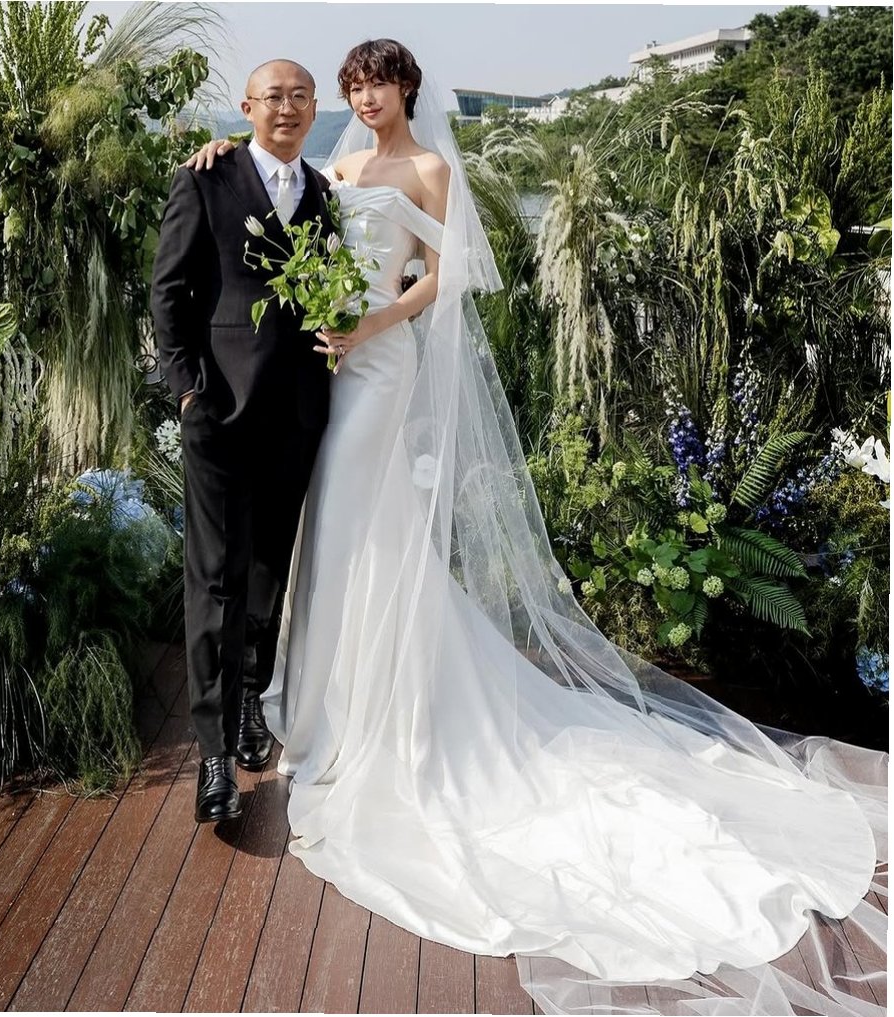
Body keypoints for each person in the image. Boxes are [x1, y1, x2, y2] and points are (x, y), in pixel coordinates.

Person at [186, 40, 886, 1015]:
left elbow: (445, 276)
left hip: (377, 368)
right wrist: (222, 149)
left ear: (405, 89)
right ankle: (325, 701)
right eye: (351, 86)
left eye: (374, 84)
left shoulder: (431, 169)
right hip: (326, 372)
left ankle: (378, 715)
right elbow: (280, 202)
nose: (362, 97)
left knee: (358, 522)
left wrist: (370, 326)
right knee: (335, 538)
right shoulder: (333, 167)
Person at [151, 60, 334, 824]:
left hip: (298, 415)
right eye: (273, 97)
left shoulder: (323, 194)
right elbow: (167, 290)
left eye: (299, 97)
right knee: (216, 580)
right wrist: (187, 388)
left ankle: (253, 702)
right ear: (248, 106)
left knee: (267, 573)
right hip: (219, 413)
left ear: (314, 108)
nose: (286, 108)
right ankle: (214, 754)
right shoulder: (206, 177)